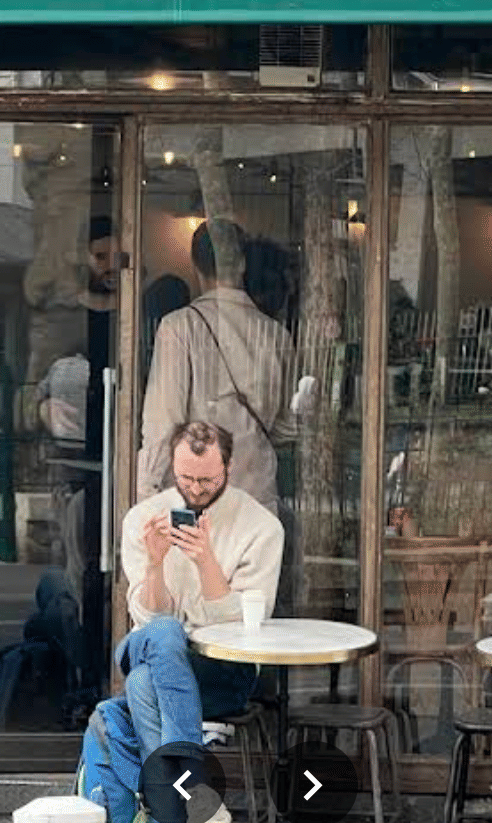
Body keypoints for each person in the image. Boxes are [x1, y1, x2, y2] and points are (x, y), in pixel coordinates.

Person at [77, 421, 284, 823]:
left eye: (206, 479)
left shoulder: (261, 528)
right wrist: (155, 564)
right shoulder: (145, 518)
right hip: (149, 649)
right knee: (165, 633)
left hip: (222, 668)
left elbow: (246, 626)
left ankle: (170, 811)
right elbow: (145, 615)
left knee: (127, 698)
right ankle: (194, 796)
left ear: (227, 467)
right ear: (173, 466)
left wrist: (206, 561)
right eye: (185, 477)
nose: (195, 488)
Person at [137, 219, 296, 518]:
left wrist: (146, 494)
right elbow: (288, 425)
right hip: (258, 497)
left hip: (198, 498)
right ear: (243, 263)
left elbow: (164, 423)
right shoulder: (275, 335)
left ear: (195, 265)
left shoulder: (179, 327)